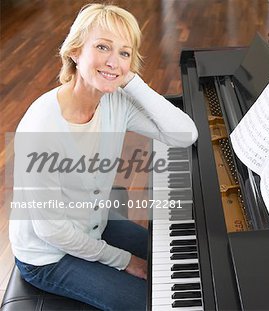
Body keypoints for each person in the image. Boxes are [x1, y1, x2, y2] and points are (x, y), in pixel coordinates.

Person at [9, 3, 198, 310]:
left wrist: (130, 80)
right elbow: (51, 231)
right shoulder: (41, 127)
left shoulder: (115, 102)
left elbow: (185, 134)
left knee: (178, 256)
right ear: (74, 51)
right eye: (102, 47)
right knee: (149, 303)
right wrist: (124, 261)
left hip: (92, 222)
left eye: (125, 53)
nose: (113, 61)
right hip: (48, 256)